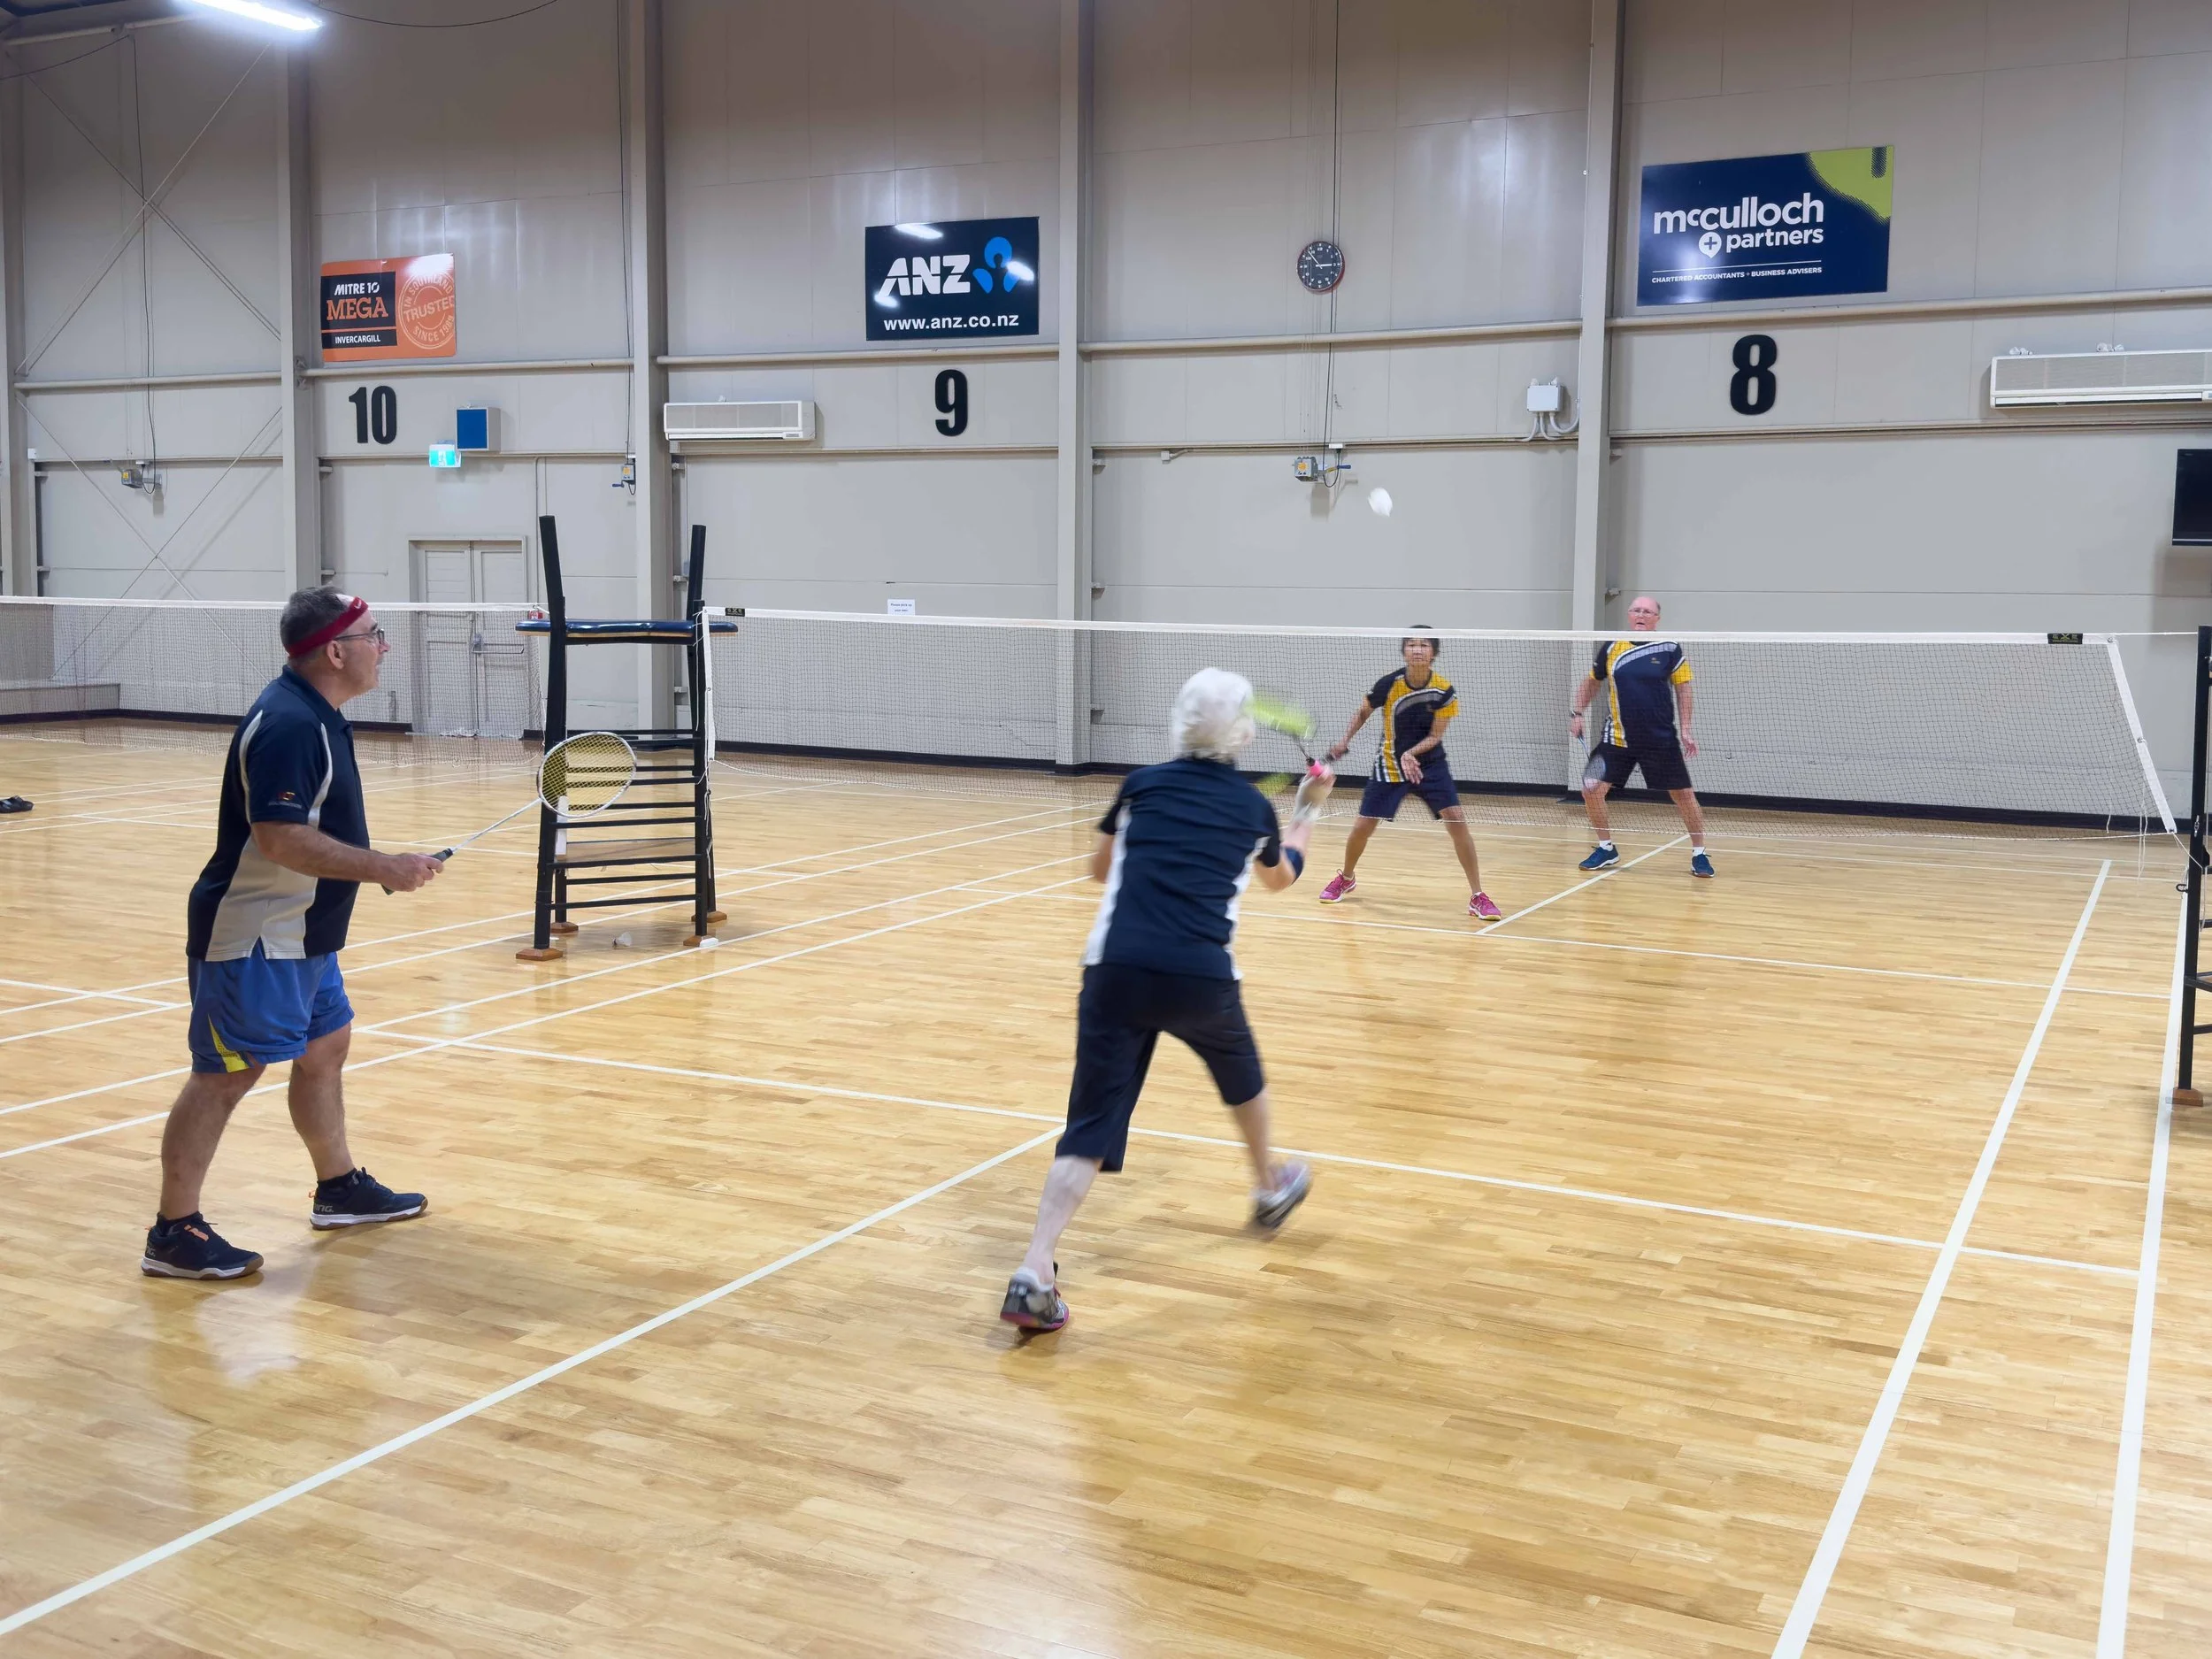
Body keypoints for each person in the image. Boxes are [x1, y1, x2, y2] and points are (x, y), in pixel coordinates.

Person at [1002, 668, 1325, 1333]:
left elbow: (1099, 869)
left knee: (1090, 1121)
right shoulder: (1252, 808)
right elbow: (1281, 878)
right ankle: (1269, 1184)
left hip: (1114, 968)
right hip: (1199, 974)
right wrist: (1309, 808)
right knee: (1241, 1071)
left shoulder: (1139, 786)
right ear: (1242, 730)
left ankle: (1035, 1268)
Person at [142, 588, 445, 1281]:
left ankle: (338, 1187)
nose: (384, 645)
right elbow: (278, 839)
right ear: (336, 651)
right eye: (375, 634)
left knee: (325, 1047)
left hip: (304, 932)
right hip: (255, 936)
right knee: (227, 1072)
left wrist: (382, 868)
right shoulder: (288, 724)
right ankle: (173, 1229)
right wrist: (384, 869)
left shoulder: (320, 714)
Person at [1315, 630, 1501, 919]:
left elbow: (1436, 736)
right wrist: (1344, 741)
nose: (1417, 650)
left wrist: (1412, 753)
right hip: (1390, 763)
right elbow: (1364, 712)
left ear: (1433, 653)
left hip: (1430, 764)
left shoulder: (1443, 690)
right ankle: (1347, 877)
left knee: (1456, 820)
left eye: (1423, 645)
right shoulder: (1389, 684)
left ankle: (1478, 895)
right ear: (1404, 652)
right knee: (1363, 825)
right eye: (1411, 645)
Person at [1570, 594, 1713, 878]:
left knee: (1683, 795)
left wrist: (1685, 729)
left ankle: (1699, 853)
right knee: (1590, 789)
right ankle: (1606, 847)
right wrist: (1577, 713)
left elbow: (1683, 689)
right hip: (1617, 738)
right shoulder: (1611, 646)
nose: (1641, 615)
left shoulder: (1670, 648)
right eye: (1636, 610)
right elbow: (1591, 682)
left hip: (1659, 739)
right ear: (1628, 615)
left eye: (1648, 612)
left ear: (1657, 619)